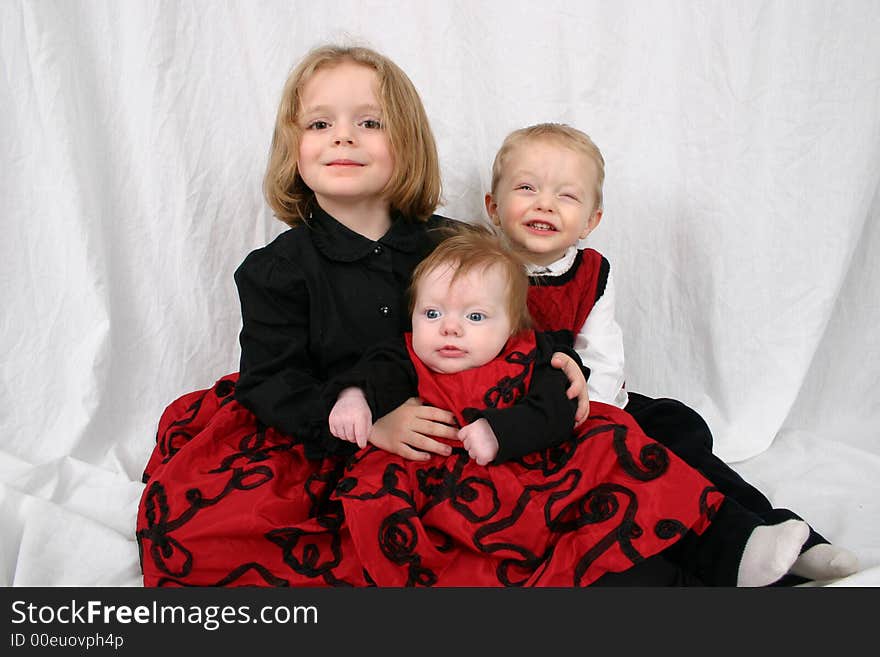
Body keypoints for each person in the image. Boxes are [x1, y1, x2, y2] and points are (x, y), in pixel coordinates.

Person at [135, 45, 586, 587]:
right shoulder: (276, 269)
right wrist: (371, 426)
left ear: (407, 143)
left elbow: (510, 323)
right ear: (294, 148)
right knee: (210, 534)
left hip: (452, 424)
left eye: (369, 122)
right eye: (320, 122)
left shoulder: (454, 245)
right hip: (323, 431)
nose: (342, 136)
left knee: (590, 481)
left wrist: (560, 358)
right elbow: (271, 382)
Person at [327, 227, 812, 587]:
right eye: (433, 313)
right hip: (438, 480)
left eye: (475, 316)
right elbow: (369, 376)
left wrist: (500, 431)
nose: (450, 328)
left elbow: (555, 408)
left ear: (510, 326)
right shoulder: (404, 355)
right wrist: (354, 400)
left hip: (529, 464)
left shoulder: (527, 354)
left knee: (617, 437)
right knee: (374, 503)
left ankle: (735, 548)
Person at [483, 122, 860, 583]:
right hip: (530, 423)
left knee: (678, 437)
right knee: (645, 480)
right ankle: (731, 558)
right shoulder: (480, 269)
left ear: (591, 220)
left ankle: (784, 535)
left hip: (597, 410)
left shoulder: (592, 273)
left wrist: (598, 418)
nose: (544, 203)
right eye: (526, 188)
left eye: (567, 196)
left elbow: (601, 357)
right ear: (493, 207)